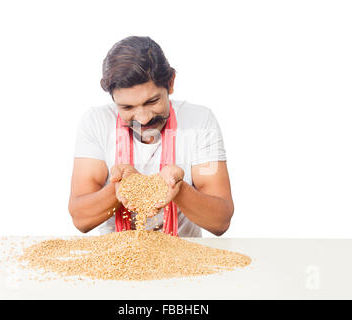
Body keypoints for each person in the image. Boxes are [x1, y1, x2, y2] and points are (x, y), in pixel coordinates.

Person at [68, 36, 234, 237]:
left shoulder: (199, 121)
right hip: (115, 259)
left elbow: (220, 222)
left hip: (182, 257)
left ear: (171, 82)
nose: (143, 119)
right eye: (127, 107)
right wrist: (120, 188)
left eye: (152, 101)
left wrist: (178, 189)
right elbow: (81, 219)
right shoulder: (96, 122)